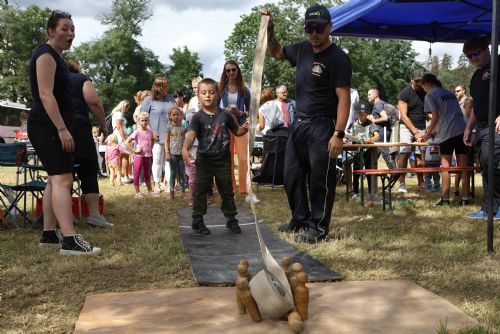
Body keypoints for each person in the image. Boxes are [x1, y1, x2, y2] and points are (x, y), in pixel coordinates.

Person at [262, 5, 352, 243]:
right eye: (309, 28)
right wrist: (269, 28)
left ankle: (318, 229)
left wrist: (338, 134)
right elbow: (276, 52)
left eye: (319, 28)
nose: (314, 33)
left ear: (329, 27)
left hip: (323, 125)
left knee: (319, 179)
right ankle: (299, 219)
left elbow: (344, 98)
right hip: (299, 123)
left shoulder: (338, 59)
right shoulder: (301, 50)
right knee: (291, 174)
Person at [29, 10, 101, 255]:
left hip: (50, 126)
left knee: (54, 179)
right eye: (64, 29)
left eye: (72, 29)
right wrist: (62, 129)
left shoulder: (55, 57)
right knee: (63, 180)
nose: (70, 34)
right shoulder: (46, 55)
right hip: (47, 127)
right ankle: (70, 240)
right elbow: (45, 95)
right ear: (51, 31)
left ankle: (50, 234)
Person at [182, 78, 249, 235]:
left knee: (227, 191)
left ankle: (231, 219)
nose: (208, 96)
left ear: (218, 94)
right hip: (204, 161)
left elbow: (237, 131)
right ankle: (197, 221)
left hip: (223, 161)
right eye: (204, 93)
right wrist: (185, 148)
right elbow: (191, 136)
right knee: (200, 191)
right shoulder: (197, 117)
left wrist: (245, 128)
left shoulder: (226, 115)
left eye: (211, 92)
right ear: (198, 95)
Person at [66, 60, 112, 228]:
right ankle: (94, 215)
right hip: (79, 128)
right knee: (88, 170)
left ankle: (66, 215)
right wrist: (103, 125)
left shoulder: (54, 79)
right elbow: (94, 102)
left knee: (64, 173)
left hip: (58, 129)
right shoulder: (81, 79)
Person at [417, 73, 470, 206]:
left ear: (427, 84)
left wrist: (427, 134)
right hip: (461, 129)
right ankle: (465, 199)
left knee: (445, 166)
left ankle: (445, 199)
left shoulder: (430, 95)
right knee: (463, 166)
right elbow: (449, 113)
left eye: (423, 87)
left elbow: (435, 117)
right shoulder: (449, 92)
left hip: (448, 133)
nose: (424, 90)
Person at [462, 36, 500, 219]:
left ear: (487, 49)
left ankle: (497, 207)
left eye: (475, 54)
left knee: (491, 162)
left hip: (497, 126)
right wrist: (469, 127)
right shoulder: (477, 76)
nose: (473, 59)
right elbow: (477, 106)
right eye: (469, 57)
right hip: (483, 127)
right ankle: (488, 208)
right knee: (485, 164)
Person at [219, 60, 259, 204]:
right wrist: (225, 112)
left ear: (238, 71)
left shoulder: (244, 89)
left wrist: (240, 111)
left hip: (241, 126)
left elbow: (250, 109)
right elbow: (216, 108)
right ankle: (231, 192)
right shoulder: (220, 89)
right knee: (227, 159)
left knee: (243, 159)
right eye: (228, 70)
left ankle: (247, 191)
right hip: (225, 126)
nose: (231, 73)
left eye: (233, 70)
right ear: (225, 72)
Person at [141, 76, 176, 193]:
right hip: (155, 136)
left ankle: (168, 183)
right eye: (165, 86)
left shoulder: (171, 99)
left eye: (167, 85)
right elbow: (142, 118)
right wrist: (151, 131)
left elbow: (176, 115)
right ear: (158, 87)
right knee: (156, 160)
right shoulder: (148, 100)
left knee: (169, 160)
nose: (167, 88)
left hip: (170, 135)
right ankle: (156, 183)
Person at [396, 69, 427, 193]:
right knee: (404, 152)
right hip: (406, 127)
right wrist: (415, 132)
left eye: (421, 80)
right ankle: (402, 183)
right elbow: (403, 116)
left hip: (422, 126)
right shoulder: (404, 93)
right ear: (411, 80)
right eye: (417, 80)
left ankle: (421, 182)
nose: (419, 83)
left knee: (420, 155)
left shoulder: (426, 92)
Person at [346, 101, 380, 204]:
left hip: (369, 151)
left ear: (367, 113)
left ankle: (371, 192)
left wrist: (369, 140)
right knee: (356, 171)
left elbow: (377, 136)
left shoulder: (371, 124)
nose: (362, 115)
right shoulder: (354, 124)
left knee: (369, 172)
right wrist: (345, 139)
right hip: (357, 151)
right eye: (360, 113)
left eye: (364, 113)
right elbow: (348, 135)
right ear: (357, 113)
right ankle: (355, 192)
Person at [124, 112, 157, 198]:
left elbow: (153, 139)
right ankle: (137, 192)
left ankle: (150, 191)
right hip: (139, 156)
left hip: (148, 156)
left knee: (147, 174)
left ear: (148, 121)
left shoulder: (150, 131)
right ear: (138, 121)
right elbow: (127, 142)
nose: (144, 122)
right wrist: (134, 150)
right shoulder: (137, 132)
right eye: (142, 120)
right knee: (137, 173)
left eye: (146, 120)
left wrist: (151, 147)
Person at [367, 88, 396, 169]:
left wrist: (373, 120)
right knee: (373, 157)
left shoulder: (378, 104)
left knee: (386, 155)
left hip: (381, 134)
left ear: (375, 95)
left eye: (369, 94)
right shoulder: (381, 103)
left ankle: (395, 172)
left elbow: (385, 118)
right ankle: (371, 176)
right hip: (382, 133)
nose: (367, 96)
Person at [453, 84, 473, 197]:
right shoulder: (456, 104)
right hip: (459, 135)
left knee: (467, 166)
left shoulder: (470, 101)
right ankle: (456, 190)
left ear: (464, 90)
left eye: (458, 90)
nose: (456, 92)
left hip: (470, 134)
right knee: (461, 166)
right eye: (455, 91)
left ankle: (467, 191)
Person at [165, 107, 187, 199]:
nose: (176, 116)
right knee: (173, 173)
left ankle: (182, 191)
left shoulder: (184, 127)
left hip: (181, 154)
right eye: (173, 115)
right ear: (170, 116)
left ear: (181, 116)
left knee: (182, 173)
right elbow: (166, 141)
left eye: (177, 114)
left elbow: (186, 140)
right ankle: (171, 192)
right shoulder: (168, 128)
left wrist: (186, 151)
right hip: (172, 154)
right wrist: (167, 153)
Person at [110, 100, 132, 184]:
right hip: (120, 137)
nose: (127, 110)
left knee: (121, 156)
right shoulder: (118, 114)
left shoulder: (116, 114)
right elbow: (119, 127)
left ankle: (122, 176)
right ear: (124, 106)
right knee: (125, 155)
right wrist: (124, 138)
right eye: (127, 108)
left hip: (120, 136)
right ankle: (124, 176)